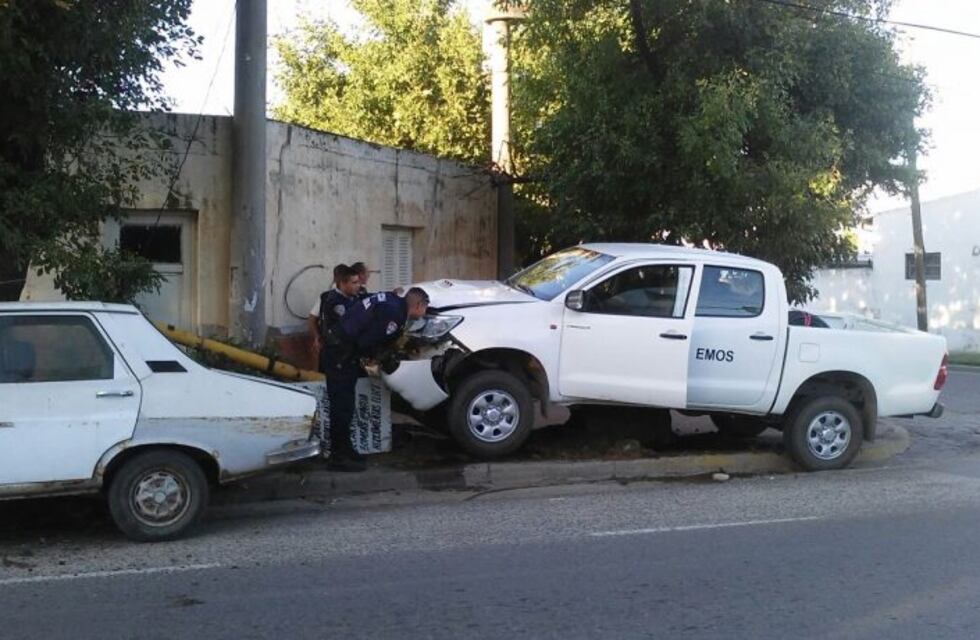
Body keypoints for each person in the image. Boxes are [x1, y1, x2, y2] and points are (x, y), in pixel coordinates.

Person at [321, 287, 430, 472]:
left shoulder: (391, 299)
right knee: (342, 406)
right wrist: (383, 357)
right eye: (426, 308)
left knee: (345, 405)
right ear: (419, 304)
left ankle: (345, 450)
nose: (425, 313)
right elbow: (367, 343)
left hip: (339, 347)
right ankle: (338, 457)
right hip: (340, 354)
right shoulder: (396, 315)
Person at [306, 264, 361, 370]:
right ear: (341, 281)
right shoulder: (328, 299)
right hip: (333, 350)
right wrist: (316, 337)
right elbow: (312, 318)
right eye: (354, 283)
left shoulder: (356, 297)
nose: (358, 285)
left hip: (351, 353)